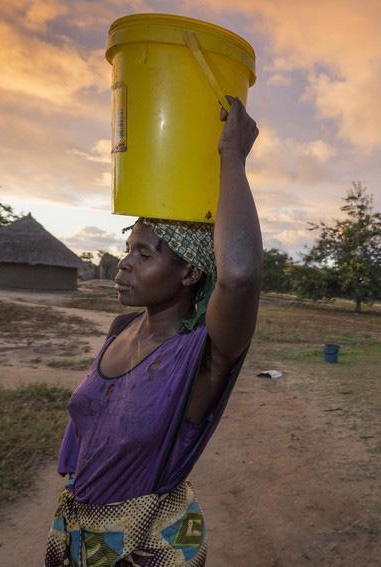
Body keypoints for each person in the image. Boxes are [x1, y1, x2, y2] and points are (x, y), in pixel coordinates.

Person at [45, 97, 261, 566]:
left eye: (145, 255)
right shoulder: (121, 328)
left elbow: (239, 276)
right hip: (80, 531)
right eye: (129, 249)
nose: (124, 262)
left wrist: (233, 158)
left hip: (143, 548)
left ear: (189, 275)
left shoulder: (199, 357)